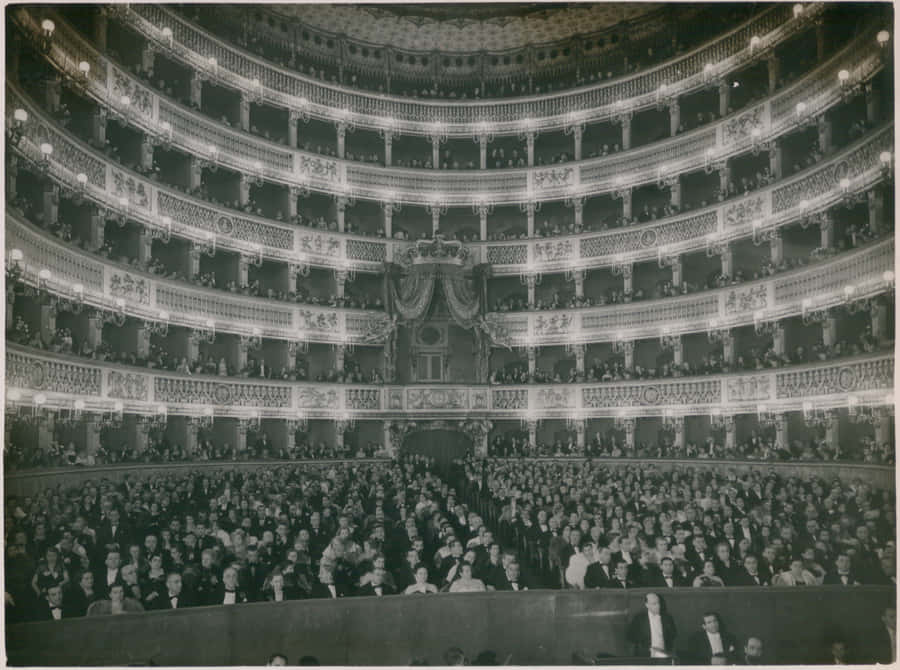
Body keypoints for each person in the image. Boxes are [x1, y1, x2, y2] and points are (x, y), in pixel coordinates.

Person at [626, 593, 677, 659]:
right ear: (647, 605)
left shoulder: (667, 618)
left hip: (664, 654)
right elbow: (631, 637)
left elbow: (673, 636)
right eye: (654, 604)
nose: (658, 606)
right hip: (645, 656)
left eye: (659, 603)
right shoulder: (639, 619)